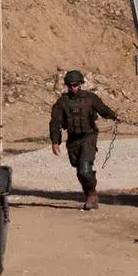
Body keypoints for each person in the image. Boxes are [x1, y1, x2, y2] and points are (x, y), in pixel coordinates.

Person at [49, 69, 118, 210]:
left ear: (80, 84)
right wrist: (55, 142)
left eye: (76, 85)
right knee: (79, 169)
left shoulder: (90, 98)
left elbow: (102, 109)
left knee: (85, 169)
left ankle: (92, 195)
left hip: (89, 137)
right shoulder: (62, 103)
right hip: (73, 140)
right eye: (71, 85)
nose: (74, 88)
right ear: (67, 86)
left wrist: (114, 116)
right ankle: (89, 193)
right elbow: (55, 124)